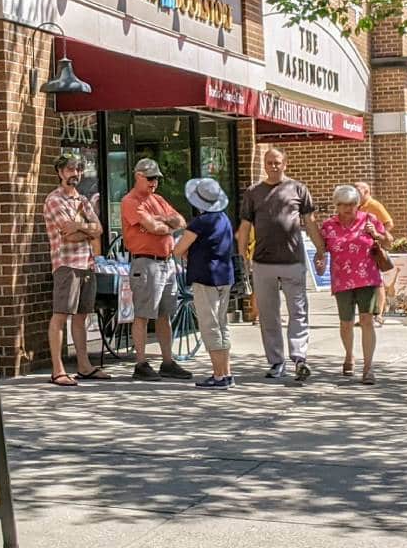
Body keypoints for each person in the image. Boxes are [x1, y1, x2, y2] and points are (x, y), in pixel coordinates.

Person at [237, 148, 324, 382]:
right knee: (268, 315)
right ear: (264, 165)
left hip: (292, 260)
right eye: (269, 162)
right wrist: (242, 255)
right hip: (262, 262)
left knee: (298, 312)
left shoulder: (298, 189)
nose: (273, 166)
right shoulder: (253, 193)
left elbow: (311, 223)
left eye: (277, 162)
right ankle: (276, 362)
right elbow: (244, 227)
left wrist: (321, 250)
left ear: (285, 164)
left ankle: (299, 358)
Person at [121, 159, 192, 381]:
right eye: (150, 178)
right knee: (143, 314)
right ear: (138, 176)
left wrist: (161, 221)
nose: (154, 183)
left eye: (156, 178)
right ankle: (141, 363)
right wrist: (162, 225)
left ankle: (167, 361)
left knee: (165, 314)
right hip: (145, 262)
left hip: (166, 262)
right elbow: (152, 227)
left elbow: (180, 221)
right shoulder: (130, 201)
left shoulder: (158, 200)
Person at [42, 152, 109, 386]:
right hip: (66, 265)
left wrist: (80, 227)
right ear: (60, 172)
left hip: (87, 264)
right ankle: (58, 370)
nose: (75, 174)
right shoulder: (54, 200)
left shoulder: (81, 200)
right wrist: (86, 231)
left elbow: (98, 229)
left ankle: (84, 366)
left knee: (81, 317)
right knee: (60, 315)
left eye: (78, 169)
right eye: (70, 169)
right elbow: (67, 237)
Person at [317, 186, 390, 385]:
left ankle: (368, 367)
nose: (348, 208)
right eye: (343, 205)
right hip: (342, 280)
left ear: (357, 204)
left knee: (367, 321)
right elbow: (321, 249)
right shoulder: (328, 226)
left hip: (368, 278)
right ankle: (349, 355)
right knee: (346, 323)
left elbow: (388, 243)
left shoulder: (368, 220)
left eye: (351, 204)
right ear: (336, 205)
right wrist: (320, 260)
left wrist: (377, 234)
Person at [173, 178, 234, 390]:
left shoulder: (200, 222)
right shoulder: (224, 218)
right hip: (224, 276)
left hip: (205, 277)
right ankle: (226, 372)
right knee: (221, 324)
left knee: (209, 326)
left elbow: (178, 249)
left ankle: (218, 375)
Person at [354, 182, 394, 326]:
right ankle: (367, 315)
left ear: (366, 192)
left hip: (374, 248)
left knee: (378, 283)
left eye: (357, 189)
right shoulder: (356, 206)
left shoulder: (374, 205)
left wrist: (378, 234)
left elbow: (389, 223)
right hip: (361, 251)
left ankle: (380, 314)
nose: (354, 192)